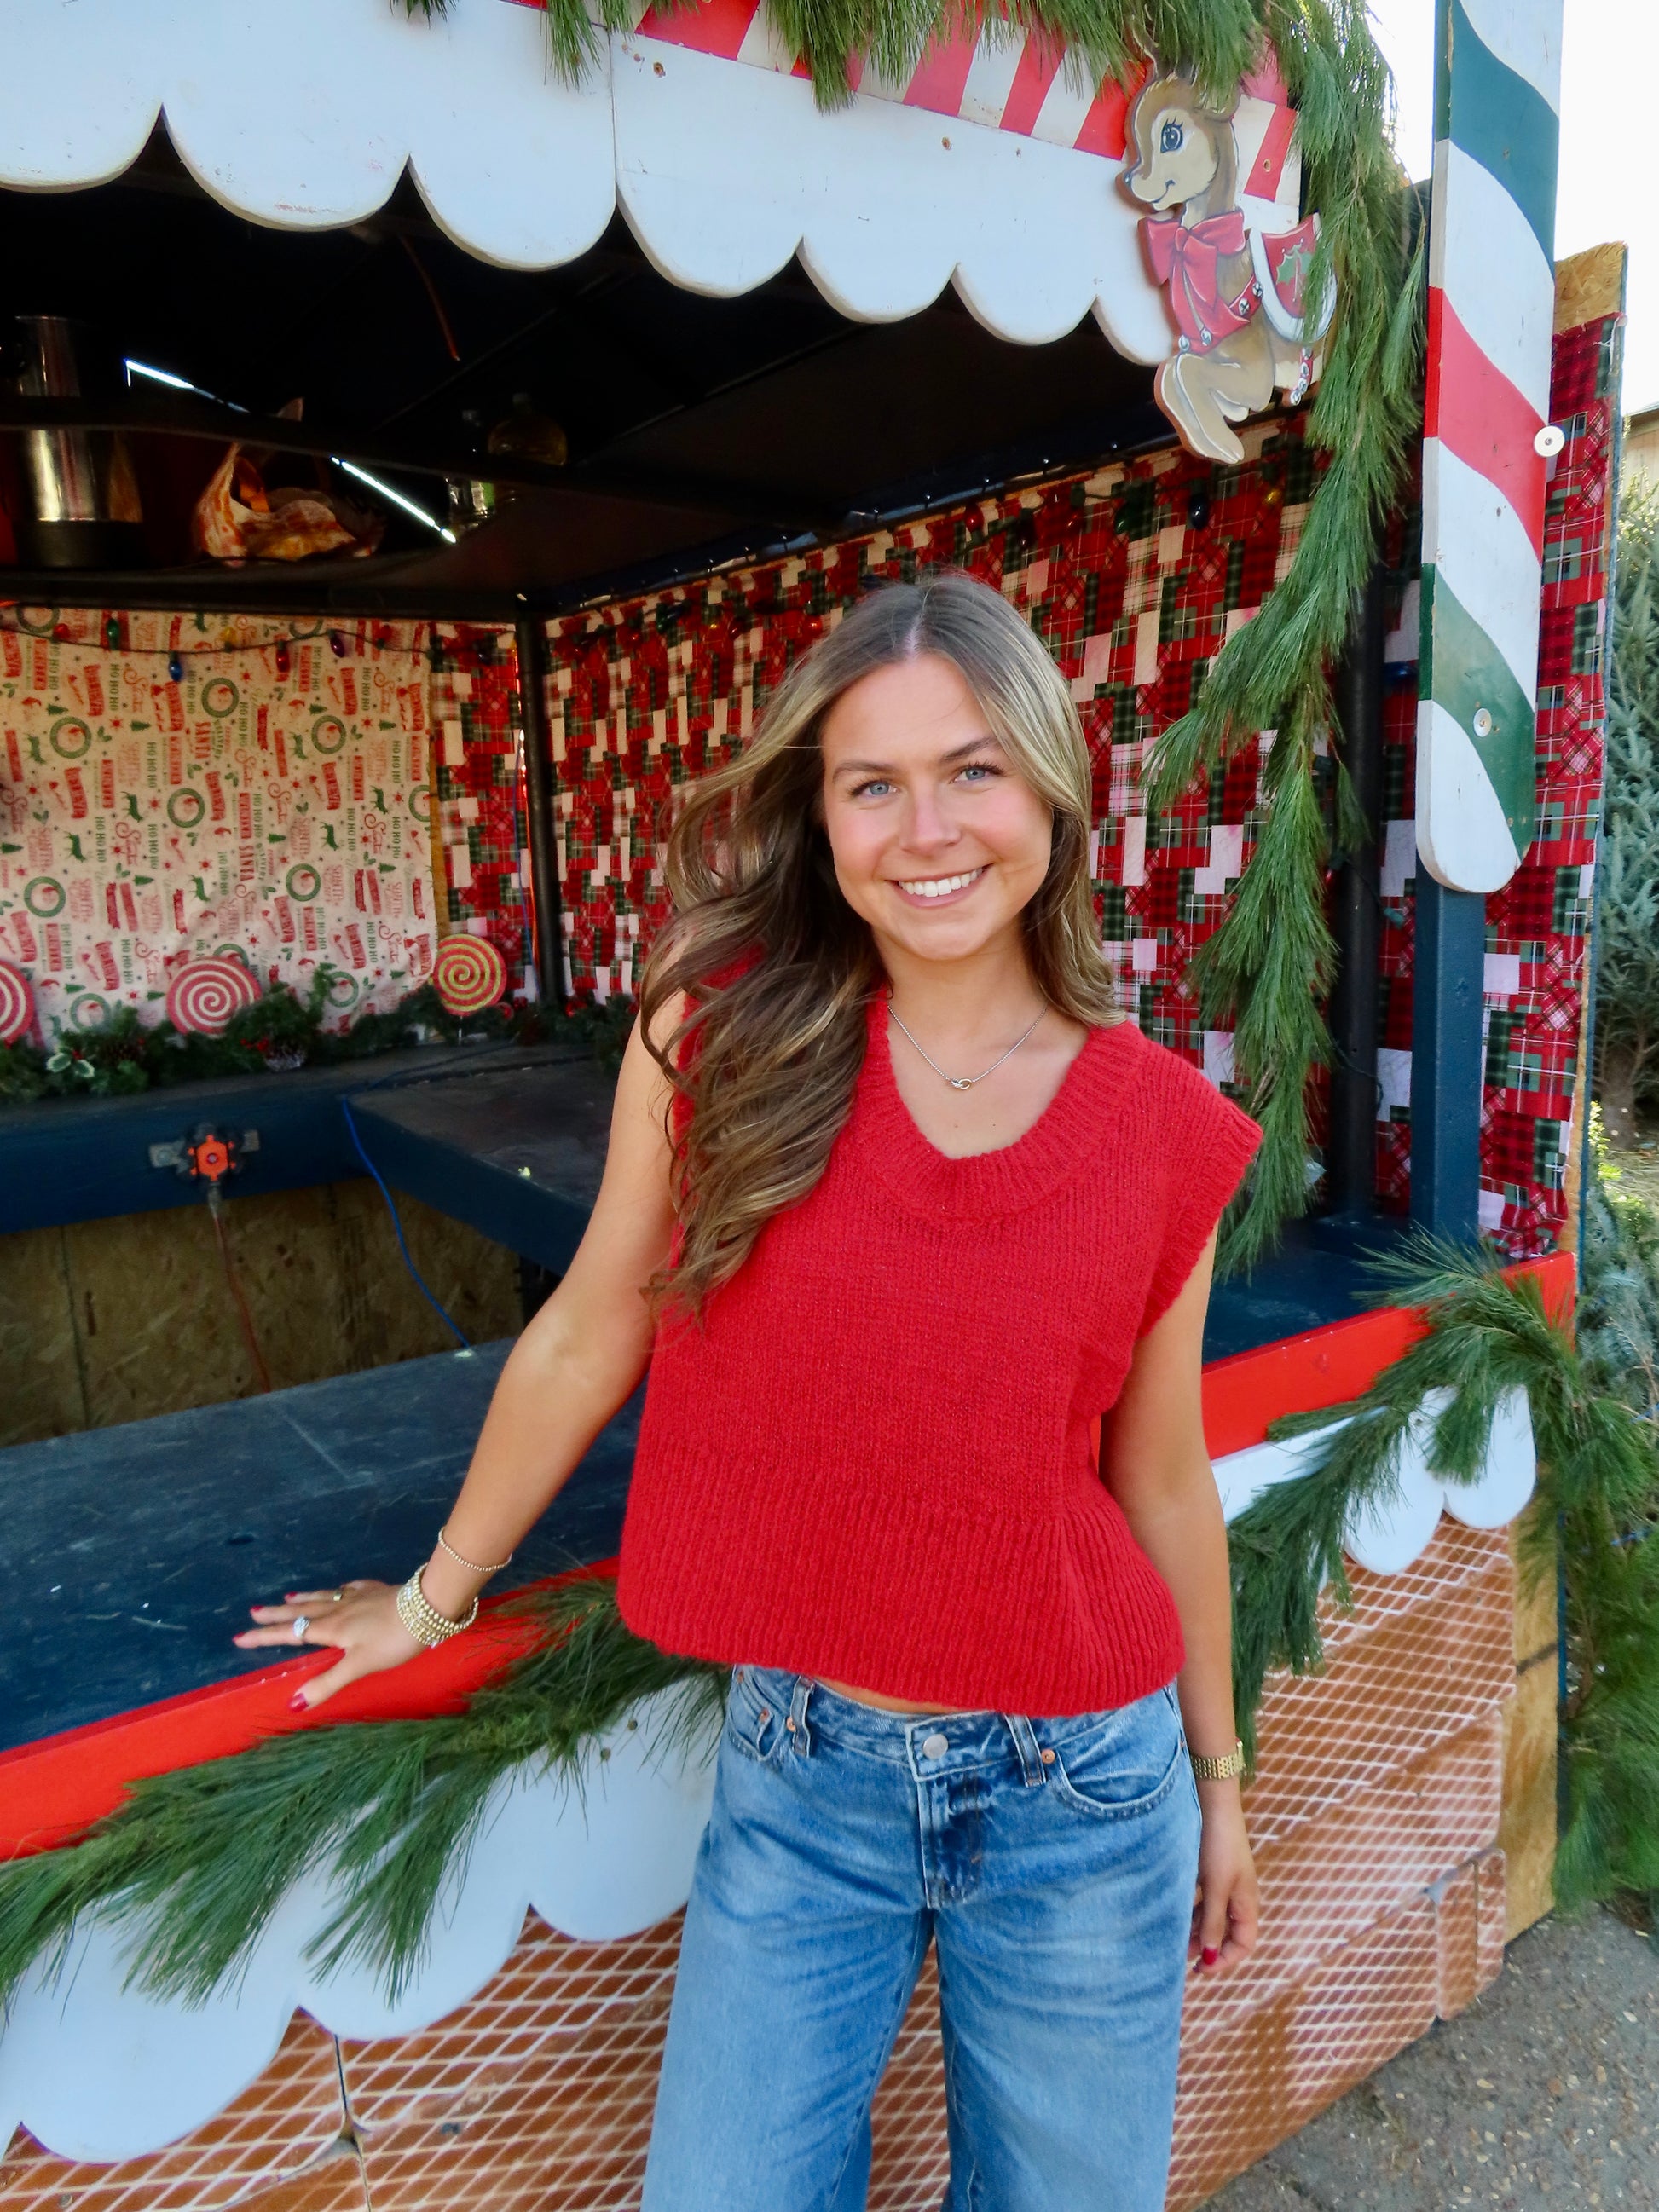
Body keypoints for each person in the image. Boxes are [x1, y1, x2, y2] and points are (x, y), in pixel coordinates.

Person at [237, 571, 1263, 2211]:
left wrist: (1219, 1782)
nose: (927, 830)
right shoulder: (721, 1043)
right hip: (806, 1771)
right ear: (819, 815)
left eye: (973, 770)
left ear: (1054, 792)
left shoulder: (1159, 1126)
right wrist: (430, 1599)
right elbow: (591, 1332)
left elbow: (1158, 1480)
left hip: (1085, 1785)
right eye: (873, 784)